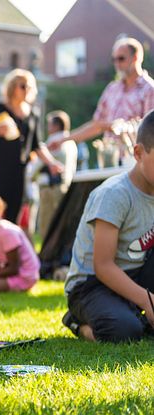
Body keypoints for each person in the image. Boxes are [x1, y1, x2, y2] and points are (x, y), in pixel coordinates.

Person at [62, 110, 154, 343]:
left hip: (135, 272)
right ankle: (76, 321)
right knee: (125, 332)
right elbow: (102, 266)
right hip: (92, 285)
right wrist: (147, 300)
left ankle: (134, 313)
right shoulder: (114, 195)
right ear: (138, 153)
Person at [51, 37, 154, 167]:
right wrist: (62, 140)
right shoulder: (112, 89)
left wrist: (122, 127)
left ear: (136, 57)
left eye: (121, 58)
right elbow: (96, 125)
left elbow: (150, 132)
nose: (116, 63)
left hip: (136, 162)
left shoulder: (149, 89)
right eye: (114, 59)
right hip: (109, 161)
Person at [0, 69, 63, 224]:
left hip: (19, 171)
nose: (27, 90)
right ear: (12, 87)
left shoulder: (33, 114)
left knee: (14, 213)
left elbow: (37, 145)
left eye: (29, 87)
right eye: (23, 86)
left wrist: (52, 163)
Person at [36, 110, 77, 239]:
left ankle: (46, 255)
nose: (48, 128)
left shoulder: (54, 141)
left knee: (47, 225)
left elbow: (38, 163)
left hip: (51, 187)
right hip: (66, 186)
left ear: (56, 126)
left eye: (50, 125)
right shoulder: (72, 142)